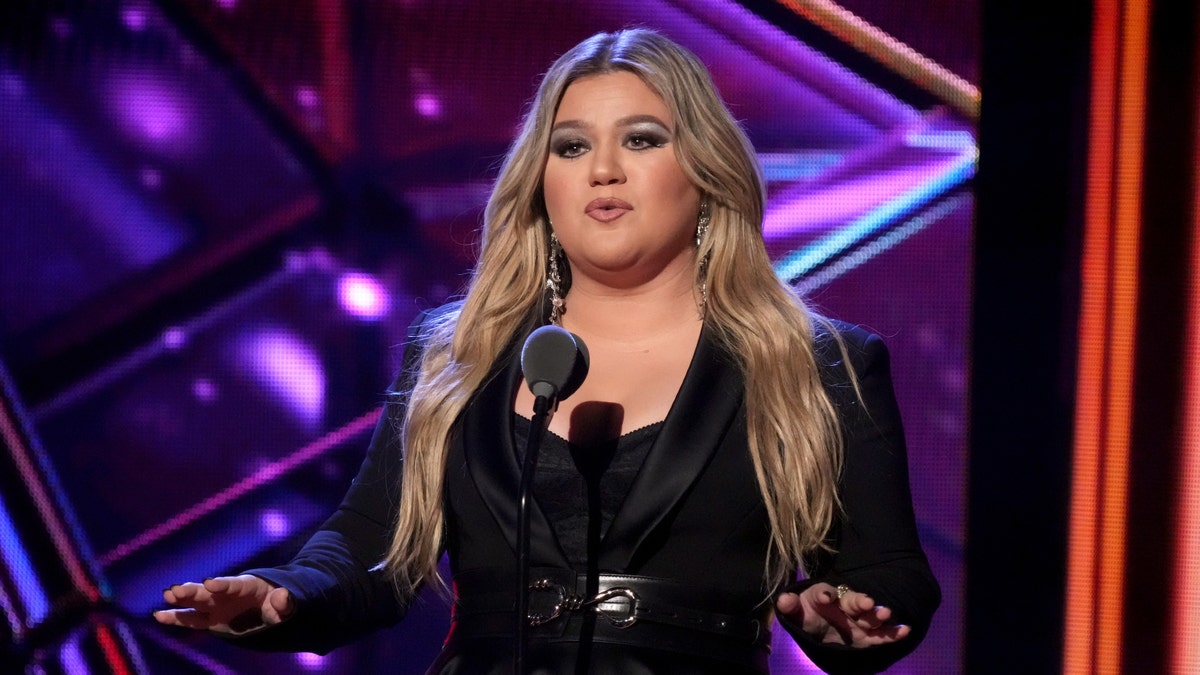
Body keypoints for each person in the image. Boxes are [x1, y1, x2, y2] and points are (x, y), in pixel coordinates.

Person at [154, 28, 940, 674]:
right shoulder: (457, 349)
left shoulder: (816, 361)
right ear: (540, 183)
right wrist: (278, 596)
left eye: (641, 139)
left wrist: (855, 619)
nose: (602, 170)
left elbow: (888, 575)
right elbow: (370, 549)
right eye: (570, 147)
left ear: (703, 171)